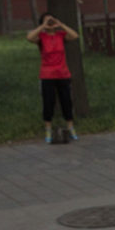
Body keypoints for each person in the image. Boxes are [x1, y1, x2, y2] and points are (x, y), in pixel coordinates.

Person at [27, 12, 79, 144]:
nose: (50, 23)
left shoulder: (61, 35)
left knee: (66, 101)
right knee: (48, 102)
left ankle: (70, 127)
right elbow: (29, 37)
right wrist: (43, 26)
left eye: (51, 20)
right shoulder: (41, 37)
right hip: (47, 75)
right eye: (47, 21)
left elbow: (74, 35)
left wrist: (60, 24)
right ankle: (48, 129)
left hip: (62, 74)